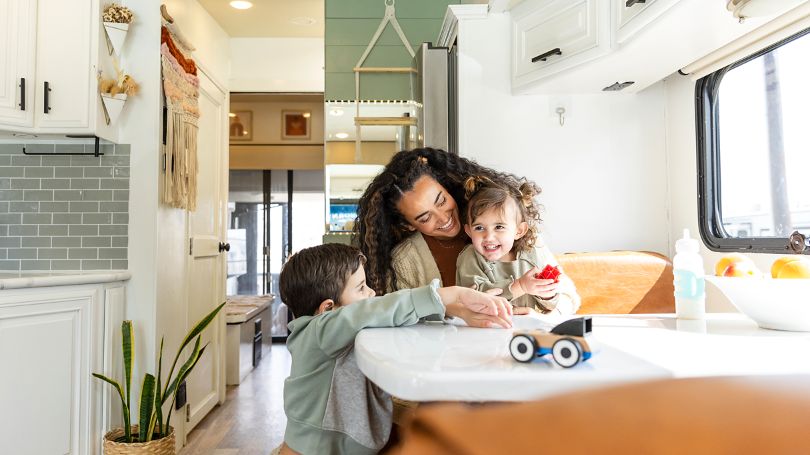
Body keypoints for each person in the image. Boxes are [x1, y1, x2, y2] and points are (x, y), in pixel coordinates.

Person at [276, 243, 511, 455]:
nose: (371, 294)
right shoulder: (316, 333)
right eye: (361, 288)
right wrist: (448, 294)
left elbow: (389, 315)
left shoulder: (340, 329)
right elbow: (374, 310)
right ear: (329, 309)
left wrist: (453, 309)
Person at [355, 147, 568, 324]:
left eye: (441, 201)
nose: (443, 217)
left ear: (447, 189)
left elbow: (568, 297)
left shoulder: (516, 233)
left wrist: (540, 318)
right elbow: (404, 320)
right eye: (424, 217)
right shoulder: (405, 261)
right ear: (408, 225)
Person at [455, 176, 580, 315]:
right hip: (484, 328)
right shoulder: (470, 257)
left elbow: (550, 304)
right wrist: (520, 286)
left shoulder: (531, 252)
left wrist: (547, 295)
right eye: (479, 228)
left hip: (526, 328)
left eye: (499, 227)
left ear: (519, 231)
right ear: (468, 231)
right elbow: (475, 298)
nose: (489, 237)